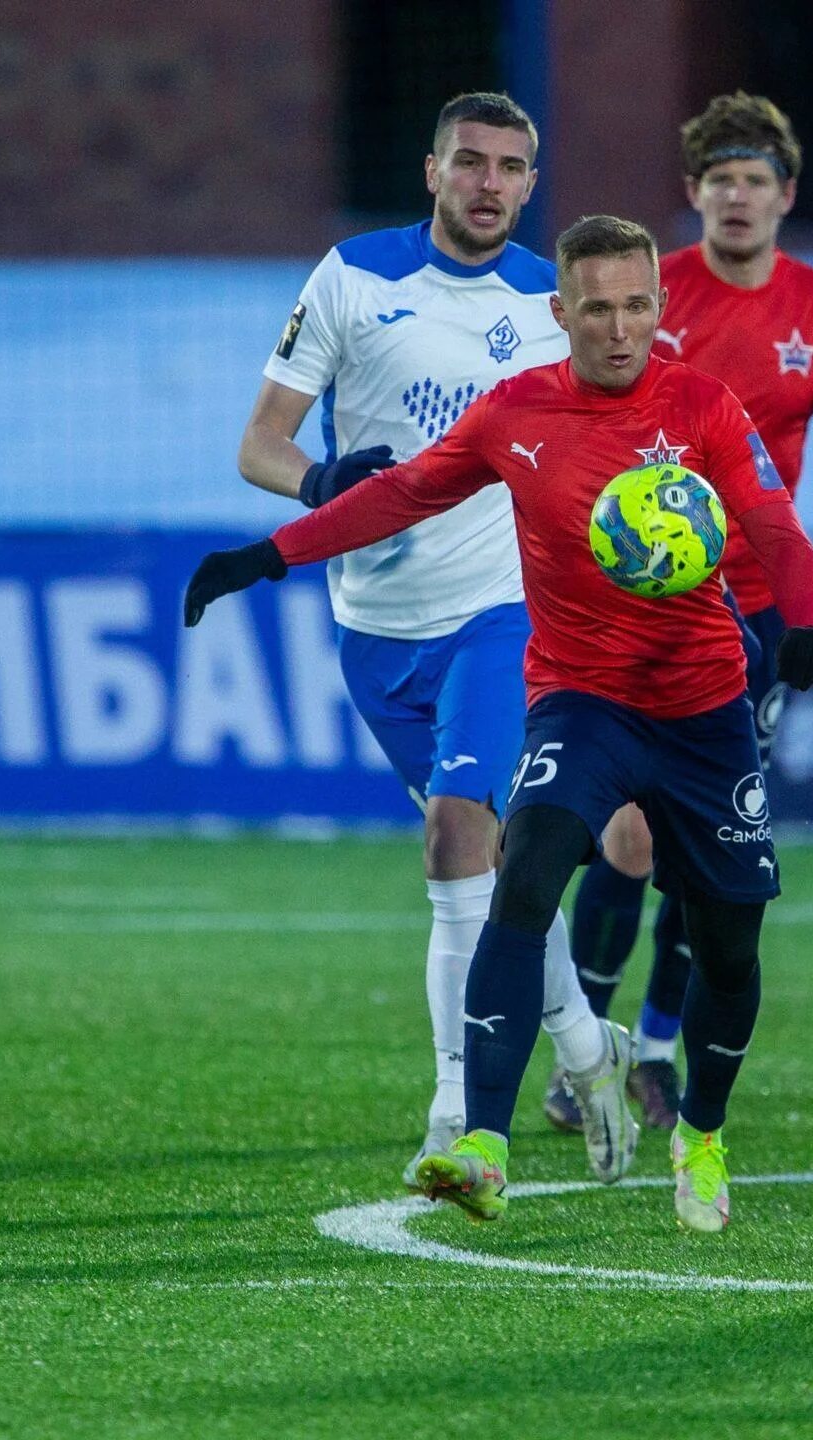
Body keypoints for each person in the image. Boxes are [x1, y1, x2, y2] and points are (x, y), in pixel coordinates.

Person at [186, 215, 813, 1233]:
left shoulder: (704, 408)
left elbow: (772, 525)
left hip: (702, 706)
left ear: (657, 309)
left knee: (730, 946)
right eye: (597, 309)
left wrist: (810, 621)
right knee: (522, 870)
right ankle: (482, 1144)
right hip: (580, 699)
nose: (619, 328)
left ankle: (701, 1135)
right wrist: (267, 556)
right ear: (560, 311)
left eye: (635, 306)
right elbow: (401, 494)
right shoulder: (515, 412)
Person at [234, 92, 633, 1190]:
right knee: (494, 868)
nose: (490, 183)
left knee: (459, 833)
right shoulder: (353, 278)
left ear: (531, 184)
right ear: (432, 171)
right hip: (373, 626)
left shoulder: (553, 308)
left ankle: (456, 1116)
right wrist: (319, 481)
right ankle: (592, 1047)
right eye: (471, 162)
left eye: (511, 166)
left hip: (503, 615)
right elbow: (259, 447)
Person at [549, 92, 813, 1136]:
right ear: (692, 195)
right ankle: (584, 1053)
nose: (738, 197)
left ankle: (656, 1050)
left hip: (749, 620)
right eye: (719, 181)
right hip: (628, 608)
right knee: (623, 837)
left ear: (786, 195)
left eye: (756, 181)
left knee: (693, 846)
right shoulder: (652, 298)